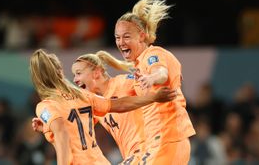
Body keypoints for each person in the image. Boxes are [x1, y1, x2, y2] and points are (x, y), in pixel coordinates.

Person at [29, 49, 176, 164]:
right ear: (60, 72)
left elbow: (62, 135)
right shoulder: (83, 96)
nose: (76, 78)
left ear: (36, 79)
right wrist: (154, 97)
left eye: (79, 73)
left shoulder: (45, 106)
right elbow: (119, 104)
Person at [113, 0, 196, 164]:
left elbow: (161, 72)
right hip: (156, 144)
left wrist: (152, 78)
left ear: (142, 36)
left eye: (126, 36)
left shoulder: (153, 53)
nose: (121, 42)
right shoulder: (138, 66)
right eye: (117, 38)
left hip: (168, 140)